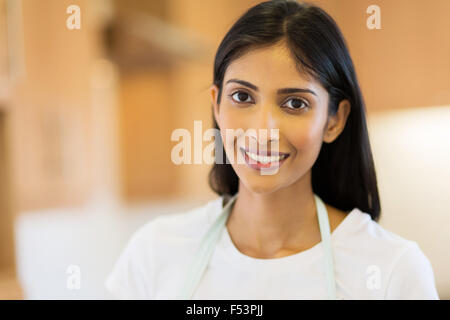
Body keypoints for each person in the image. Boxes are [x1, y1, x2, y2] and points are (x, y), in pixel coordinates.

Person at [104, 0, 439, 299]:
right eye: (242, 97)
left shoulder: (392, 272)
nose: (263, 131)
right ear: (217, 105)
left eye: (295, 103)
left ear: (334, 120)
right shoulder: (154, 253)